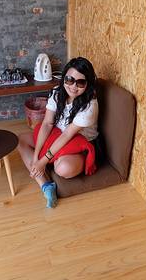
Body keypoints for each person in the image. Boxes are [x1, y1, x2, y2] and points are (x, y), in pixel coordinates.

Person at [17, 57, 99, 208]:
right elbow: (47, 124)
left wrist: (43, 161)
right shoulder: (57, 92)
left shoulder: (89, 106)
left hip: (78, 142)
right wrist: (36, 158)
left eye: (80, 82)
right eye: (69, 80)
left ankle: (50, 163)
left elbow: (67, 135)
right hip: (58, 135)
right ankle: (46, 185)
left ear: (88, 84)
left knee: (62, 168)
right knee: (21, 140)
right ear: (64, 78)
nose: (73, 87)